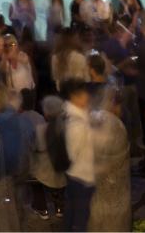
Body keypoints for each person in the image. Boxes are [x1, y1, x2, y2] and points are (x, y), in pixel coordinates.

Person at [59, 79, 95, 232]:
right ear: (74, 97)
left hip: (77, 174)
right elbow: (72, 154)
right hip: (80, 175)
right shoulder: (76, 124)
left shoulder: (79, 115)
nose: (88, 96)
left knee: (71, 211)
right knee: (80, 219)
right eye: (84, 94)